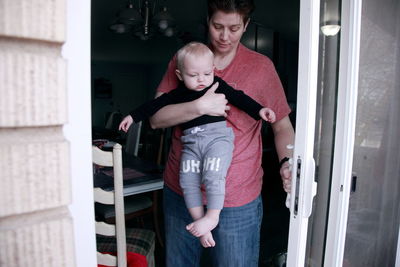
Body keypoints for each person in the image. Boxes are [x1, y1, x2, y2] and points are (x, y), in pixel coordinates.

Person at [131, 0, 294, 265]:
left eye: (234, 28)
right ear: (207, 21)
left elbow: (283, 127)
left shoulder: (261, 68)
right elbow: (156, 119)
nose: (225, 36)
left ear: (246, 26)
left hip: (237, 198)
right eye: (218, 26)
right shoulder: (185, 59)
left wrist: (287, 161)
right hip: (182, 192)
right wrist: (199, 106)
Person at [119, 42, 276, 248]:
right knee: (187, 181)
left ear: (213, 70)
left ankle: (212, 216)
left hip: (217, 140)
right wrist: (133, 116)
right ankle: (202, 223)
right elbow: (154, 106)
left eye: (206, 74)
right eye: (193, 75)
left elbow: (239, 98)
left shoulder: (217, 84)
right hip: (191, 144)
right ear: (180, 74)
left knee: (212, 175)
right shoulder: (178, 93)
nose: (201, 79)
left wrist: (260, 110)